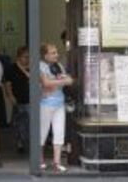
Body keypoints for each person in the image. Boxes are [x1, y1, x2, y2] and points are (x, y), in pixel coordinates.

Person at [39, 43, 73, 172]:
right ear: (45, 55)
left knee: (59, 133)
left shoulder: (58, 66)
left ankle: (56, 162)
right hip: (45, 103)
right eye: (53, 53)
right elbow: (46, 83)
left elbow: (70, 80)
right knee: (42, 132)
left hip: (59, 102)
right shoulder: (40, 66)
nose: (56, 55)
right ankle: (40, 160)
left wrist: (56, 82)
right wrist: (61, 81)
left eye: (56, 52)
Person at [5, 46, 30, 153]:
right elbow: (8, 83)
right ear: (19, 57)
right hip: (18, 98)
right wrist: (10, 96)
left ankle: (27, 141)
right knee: (20, 121)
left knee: (29, 121)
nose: (27, 59)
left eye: (29, 57)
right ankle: (20, 142)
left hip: (31, 98)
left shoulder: (32, 67)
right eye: (25, 57)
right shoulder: (12, 68)